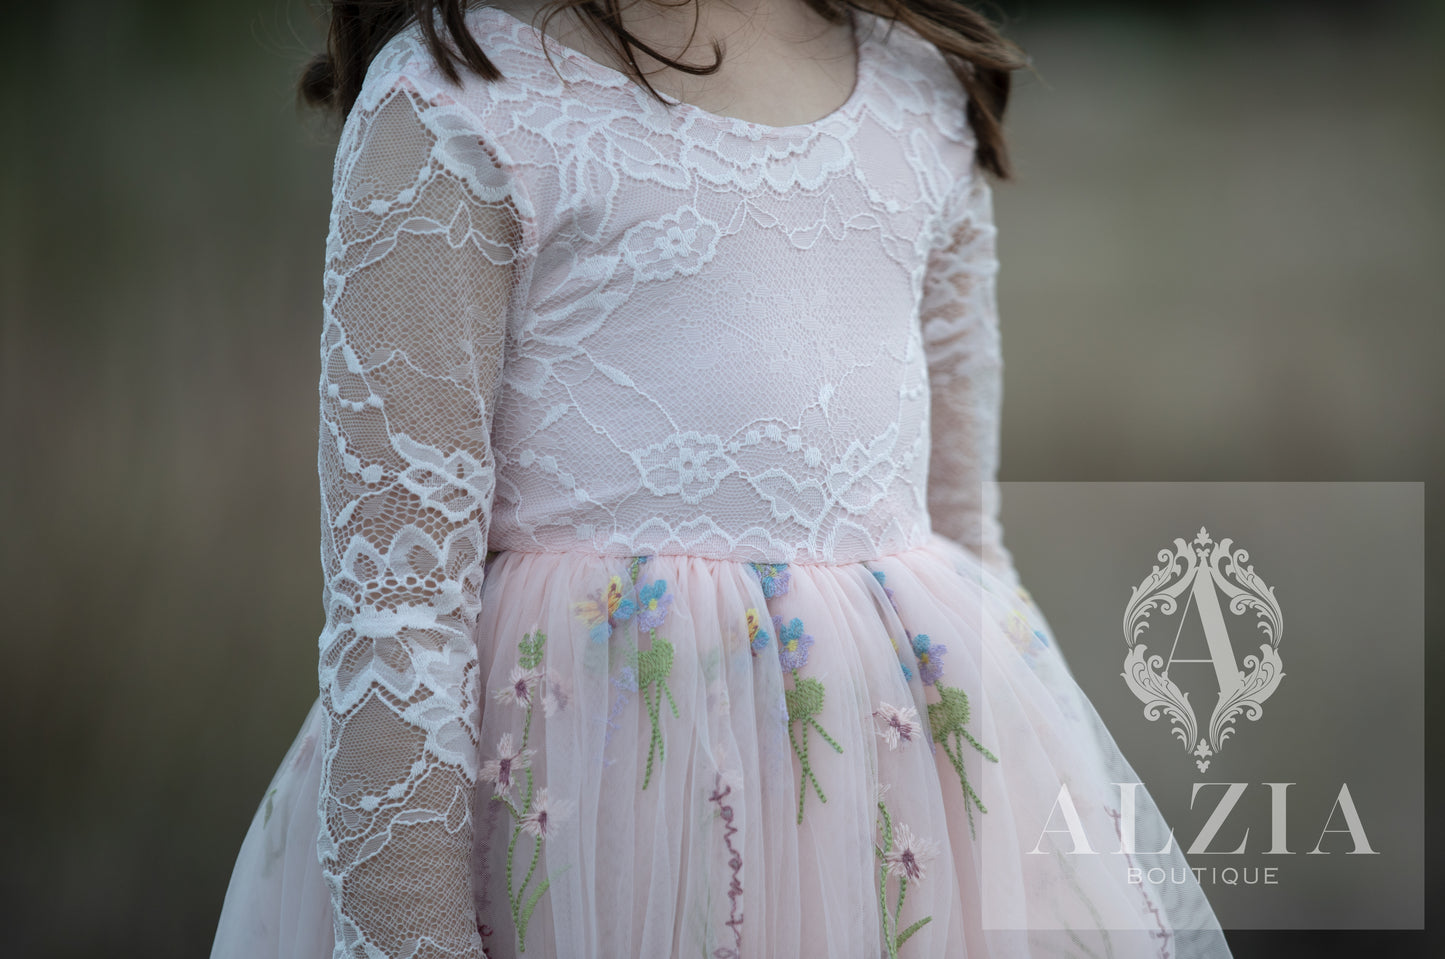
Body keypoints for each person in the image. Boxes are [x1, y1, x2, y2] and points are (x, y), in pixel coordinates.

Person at [210, 1, 1234, 956]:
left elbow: (964, 542)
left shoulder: (917, 92)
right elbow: (394, 624)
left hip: (885, 842)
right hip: (584, 841)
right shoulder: (459, 99)